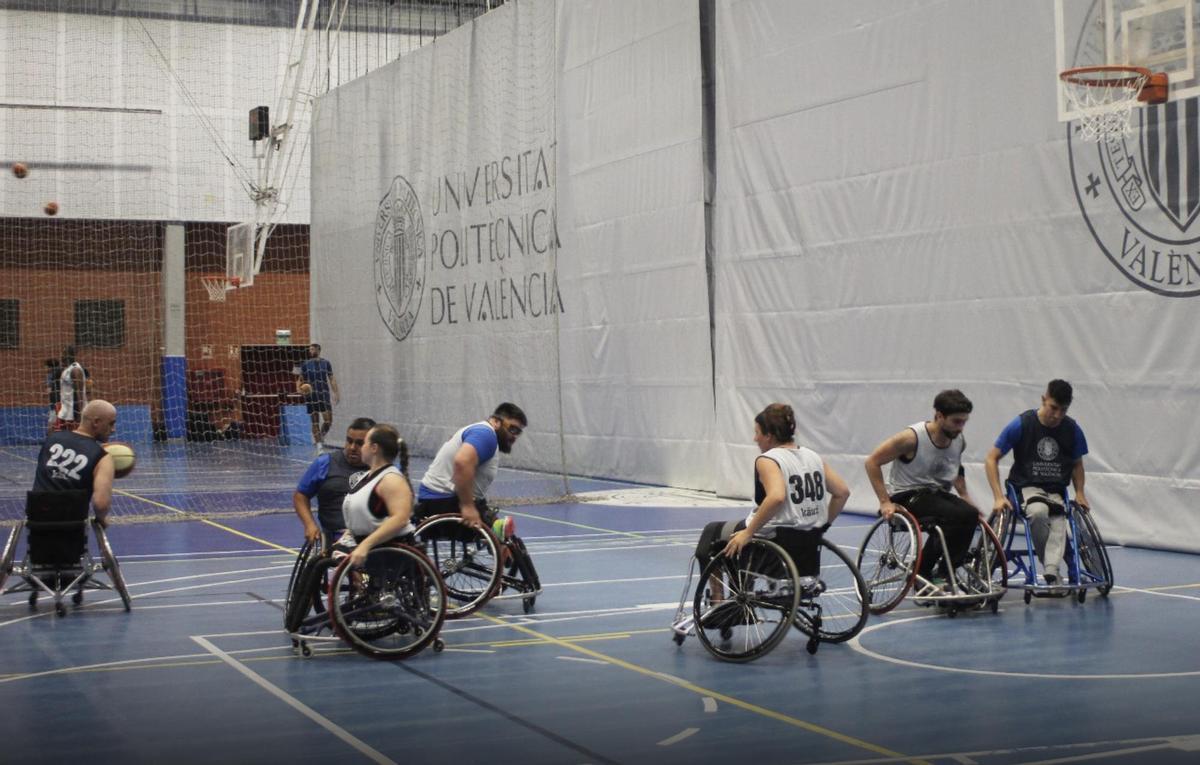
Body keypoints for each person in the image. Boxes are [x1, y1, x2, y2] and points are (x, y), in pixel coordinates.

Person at [695, 403, 850, 578]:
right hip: (807, 540)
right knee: (734, 537)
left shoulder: (768, 459)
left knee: (711, 535)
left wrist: (748, 533)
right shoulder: (813, 456)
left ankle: (717, 600)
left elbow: (776, 497)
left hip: (776, 537)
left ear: (769, 435)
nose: (755, 439)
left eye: (757, 433)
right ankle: (738, 593)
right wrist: (823, 526)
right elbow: (842, 492)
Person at [864, 389, 980, 583]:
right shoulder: (911, 438)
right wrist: (884, 501)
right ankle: (928, 570)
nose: (961, 428)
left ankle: (941, 570)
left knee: (971, 513)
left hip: (936, 495)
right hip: (908, 496)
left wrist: (965, 495)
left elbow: (956, 467)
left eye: (964, 421)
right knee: (956, 516)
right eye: (956, 422)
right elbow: (872, 462)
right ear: (939, 416)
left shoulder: (958, 440)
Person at [985, 379, 1089, 586]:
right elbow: (991, 458)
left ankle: (1051, 571)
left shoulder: (1072, 429)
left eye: (1063, 410)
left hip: (1056, 490)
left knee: (1059, 518)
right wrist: (998, 496)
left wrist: (1080, 493)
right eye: (1054, 408)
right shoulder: (1022, 424)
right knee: (1039, 513)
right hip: (1026, 487)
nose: (1057, 415)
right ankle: (1051, 568)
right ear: (1044, 400)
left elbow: (1077, 464)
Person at [414, 403, 527, 529]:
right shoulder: (486, 435)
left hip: (440, 498)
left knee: (504, 533)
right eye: (512, 429)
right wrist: (467, 506)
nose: (515, 436)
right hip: (441, 501)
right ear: (496, 422)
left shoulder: (482, 432)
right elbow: (462, 462)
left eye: (518, 432)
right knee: (502, 536)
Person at [340, 424, 415, 568]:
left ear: (374, 448)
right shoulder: (366, 477)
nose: (360, 448)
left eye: (364, 443)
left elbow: (400, 519)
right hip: (363, 543)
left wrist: (365, 545)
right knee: (317, 564)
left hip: (387, 550)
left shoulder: (391, 480)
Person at [33, 399, 117, 527]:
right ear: (96, 422)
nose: (113, 430)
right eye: (111, 424)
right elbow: (101, 504)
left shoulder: (52, 439)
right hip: (71, 526)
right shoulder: (102, 457)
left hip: (37, 519)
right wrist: (101, 519)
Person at [292, 417, 375, 545]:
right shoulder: (324, 463)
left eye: (360, 443)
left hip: (373, 538)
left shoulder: (384, 470)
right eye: (349, 441)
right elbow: (300, 495)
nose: (352, 447)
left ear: (373, 446)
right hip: (335, 537)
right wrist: (309, 525)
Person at [296, 343, 340, 452]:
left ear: (318, 350)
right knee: (315, 421)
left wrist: (336, 392)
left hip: (323, 394)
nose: (310, 351)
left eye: (312, 349)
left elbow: (331, 378)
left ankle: (320, 436)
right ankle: (319, 445)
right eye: (309, 349)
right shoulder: (305, 364)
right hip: (311, 395)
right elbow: (300, 379)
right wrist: (299, 389)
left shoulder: (326, 363)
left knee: (328, 421)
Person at [53, 346, 88, 432]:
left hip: (73, 415)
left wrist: (79, 416)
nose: (61, 356)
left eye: (64, 354)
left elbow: (79, 393)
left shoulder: (75, 370)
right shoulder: (67, 370)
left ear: (70, 355)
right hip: (65, 412)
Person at [44, 358, 62, 436]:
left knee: (52, 419)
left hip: (56, 401)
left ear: (50, 367)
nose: (45, 369)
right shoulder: (61, 372)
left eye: (46, 367)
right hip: (60, 400)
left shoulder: (52, 375)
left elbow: (49, 389)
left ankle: (50, 436)